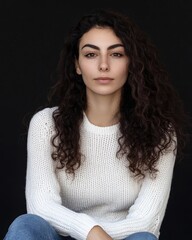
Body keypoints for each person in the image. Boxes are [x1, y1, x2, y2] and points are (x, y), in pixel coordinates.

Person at [4, 8, 189, 240]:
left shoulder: (161, 134)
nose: (103, 65)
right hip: (61, 236)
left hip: (123, 239)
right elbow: (40, 207)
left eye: (116, 54)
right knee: (26, 225)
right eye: (91, 54)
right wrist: (89, 232)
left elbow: (146, 222)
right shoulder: (46, 125)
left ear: (131, 63)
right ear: (77, 65)